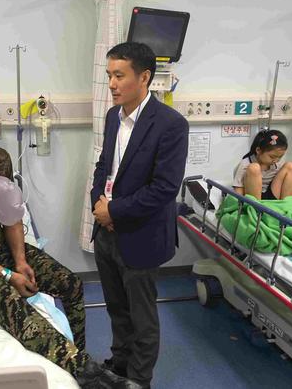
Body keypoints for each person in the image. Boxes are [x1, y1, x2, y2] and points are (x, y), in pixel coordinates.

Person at [0, 85, 140, 389]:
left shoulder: (0, 159)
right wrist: (7, 274)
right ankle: (86, 373)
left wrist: (20, 260)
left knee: (71, 284)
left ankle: (79, 352)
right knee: (3, 293)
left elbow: (11, 215)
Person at [90, 42, 189, 388]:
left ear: (144, 77)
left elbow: (165, 187)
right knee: (116, 308)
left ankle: (138, 379)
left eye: (119, 75)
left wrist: (113, 210)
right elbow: (104, 167)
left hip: (141, 235)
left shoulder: (170, 125)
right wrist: (97, 206)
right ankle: (119, 365)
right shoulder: (112, 118)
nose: (112, 84)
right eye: (109, 76)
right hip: (106, 231)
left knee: (142, 315)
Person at [232, 129, 292, 200]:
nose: (276, 160)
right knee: (254, 168)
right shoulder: (245, 164)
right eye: (272, 157)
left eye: (280, 157)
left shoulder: (277, 164)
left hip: (272, 194)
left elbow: (284, 185)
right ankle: (257, 209)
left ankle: (285, 204)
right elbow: (238, 191)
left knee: (291, 167)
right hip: (254, 197)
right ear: (258, 150)